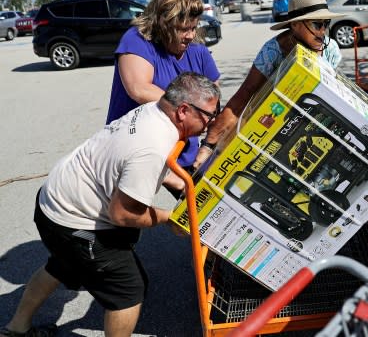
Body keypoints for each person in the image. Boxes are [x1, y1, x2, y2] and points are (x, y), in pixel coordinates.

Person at [1, 73, 220, 337]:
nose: (212, 121)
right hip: (72, 220)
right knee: (127, 290)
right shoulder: (153, 145)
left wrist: (185, 186)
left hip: (54, 198)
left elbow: (140, 167)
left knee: (63, 264)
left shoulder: (153, 111)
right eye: (209, 114)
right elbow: (123, 214)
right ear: (183, 110)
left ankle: (16, 330)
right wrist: (171, 218)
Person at [193, 0, 344, 167]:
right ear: (294, 25)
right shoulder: (273, 51)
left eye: (326, 24)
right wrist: (209, 145)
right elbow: (244, 95)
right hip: (273, 131)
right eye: (316, 24)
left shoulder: (331, 49)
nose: (323, 31)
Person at [106, 0, 221, 178]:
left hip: (181, 148)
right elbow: (139, 89)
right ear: (164, 24)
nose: (191, 35)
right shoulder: (137, 40)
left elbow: (213, 99)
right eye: (184, 29)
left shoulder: (197, 50)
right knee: (128, 206)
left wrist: (208, 144)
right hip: (135, 145)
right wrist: (193, 110)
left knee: (199, 197)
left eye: (194, 27)